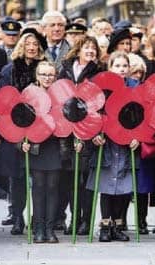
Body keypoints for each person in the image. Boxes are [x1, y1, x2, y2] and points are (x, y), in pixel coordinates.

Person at [86, 51, 139, 242]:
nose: (121, 69)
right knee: (107, 186)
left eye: (124, 65)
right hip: (107, 143)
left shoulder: (135, 88)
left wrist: (137, 137)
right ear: (110, 68)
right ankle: (105, 225)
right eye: (117, 66)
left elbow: (142, 115)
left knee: (124, 187)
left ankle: (118, 225)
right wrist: (95, 136)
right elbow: (92, 113)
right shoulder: (100, 88)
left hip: (126, 142)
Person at [0, 30, 46, 235]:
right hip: (13, 126)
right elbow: (2, 100)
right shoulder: (9, 70)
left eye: (35, 43)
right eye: (28, 43)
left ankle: (38, 219)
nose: (32, 47)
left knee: (38, 176)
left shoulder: (43, 69)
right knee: (17, 177)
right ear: (21, 45)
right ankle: (18, 217)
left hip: (40, 126)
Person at [57, 36, 105, 235]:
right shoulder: (66, 70)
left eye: (94, 48)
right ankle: (73, 218)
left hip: (89, 130)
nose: (91, 50)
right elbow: (58, 96)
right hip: (67, 130)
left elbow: (104, 102)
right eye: (87, 47)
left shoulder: (100, 72)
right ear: (78, 50)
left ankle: (86, 220)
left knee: (86, 178)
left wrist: (98, 130)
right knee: (70, 178)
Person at [21, 61, 62, 243]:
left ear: (56, 76)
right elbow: (19, 121)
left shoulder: (61, 95)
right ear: (37, 76)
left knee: (53, 188)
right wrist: (22, 142)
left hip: (55, 145)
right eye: (43, 74)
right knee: (38, 188)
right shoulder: (29, 94)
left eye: (51, 75)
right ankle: (38, 228)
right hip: (37, 146)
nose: (47, 78)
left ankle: (49, 229)